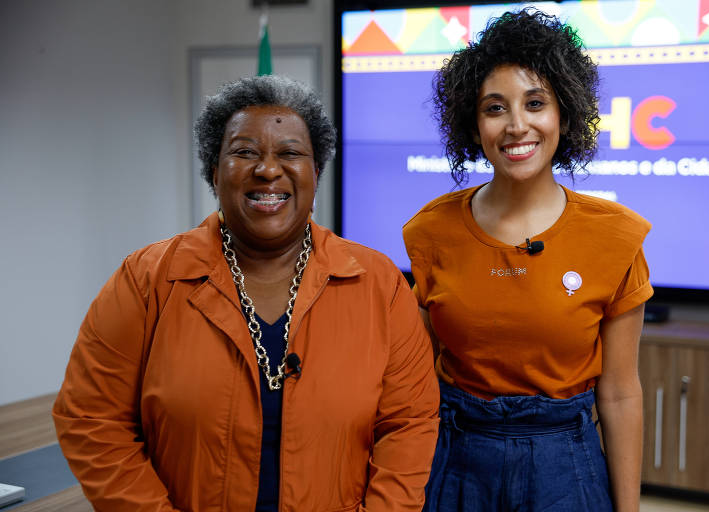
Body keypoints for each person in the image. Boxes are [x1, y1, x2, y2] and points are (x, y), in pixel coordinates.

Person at [53, 75, 439, 512]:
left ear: (316, 174)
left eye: (290, 153)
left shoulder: (379, 283)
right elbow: (91, 420)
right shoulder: (145, 280)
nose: (268, 169)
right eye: (244, 152)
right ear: (214, 173)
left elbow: (409, 424)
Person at [402, 9, 651, 512]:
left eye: (535, 103)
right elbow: (414, 382)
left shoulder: (617, 236)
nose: (517, 125)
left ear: (565, 113)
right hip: (455, 461)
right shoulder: (430, 231)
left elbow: (622, 394)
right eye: (495, 108)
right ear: (473, 125)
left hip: (567, 465)